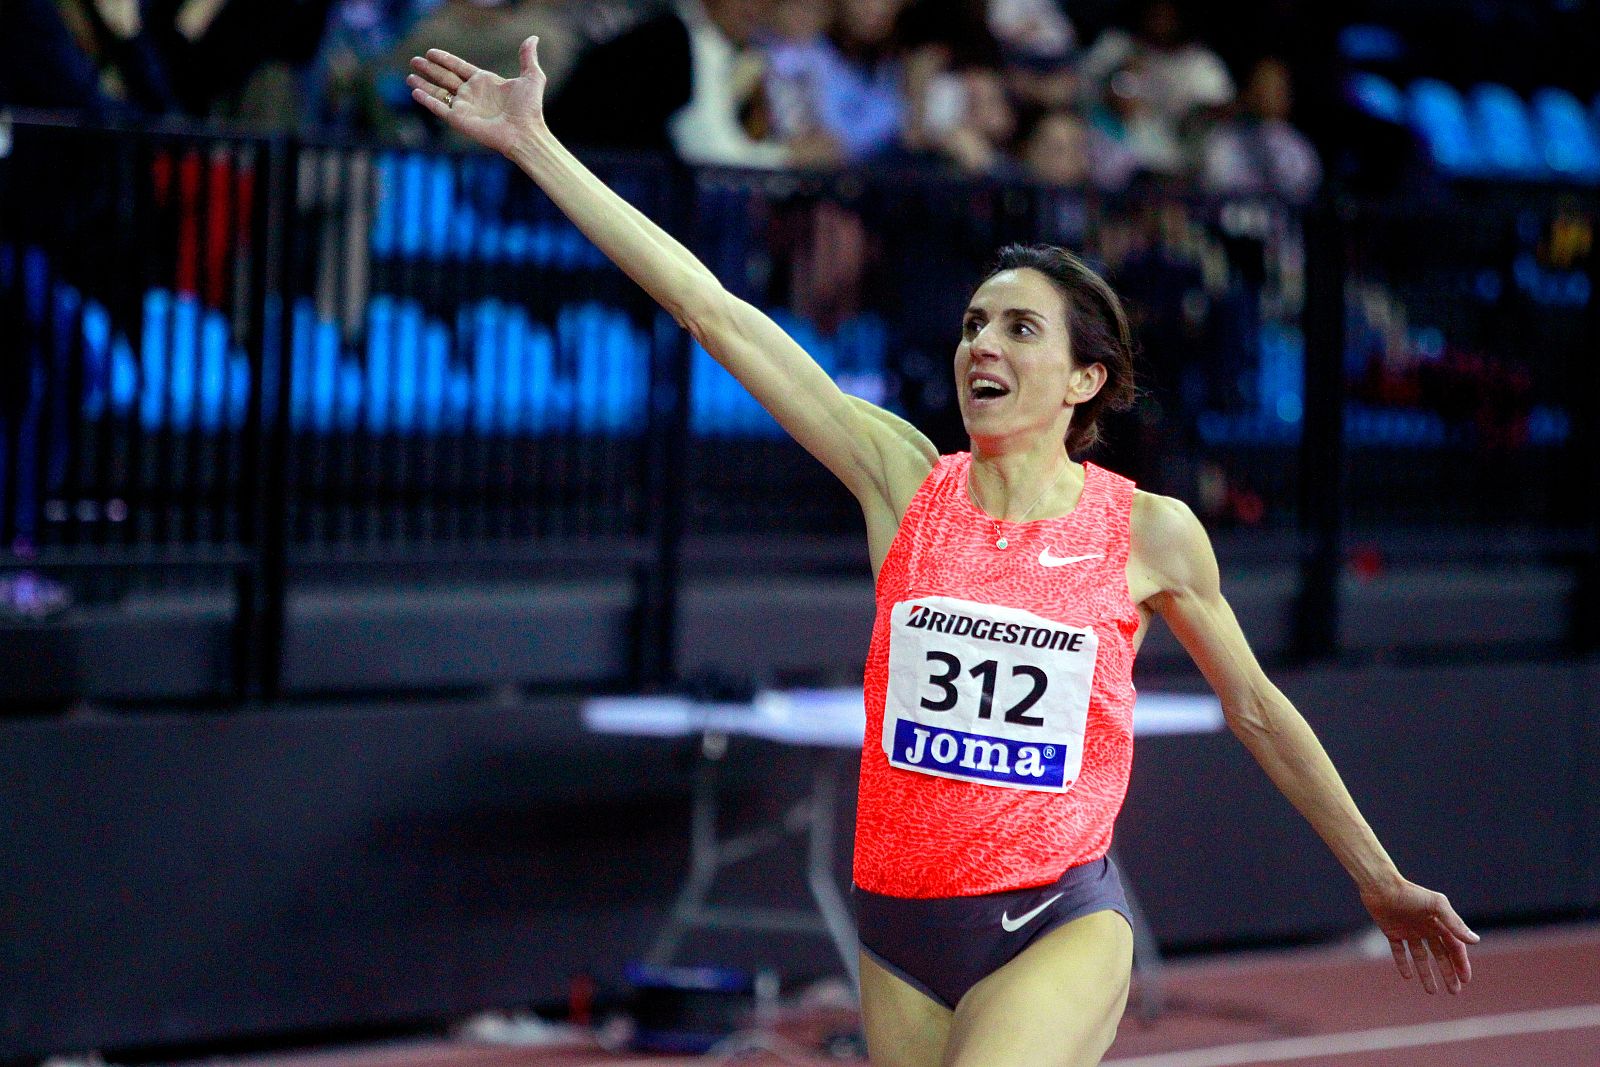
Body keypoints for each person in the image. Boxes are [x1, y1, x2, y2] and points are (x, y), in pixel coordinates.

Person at [406, 37, 1479, 1066]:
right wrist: (538, 148)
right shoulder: (901, 481)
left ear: (1082, 380)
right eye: (973, 324)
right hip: (899, 926)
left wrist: (1377, 874)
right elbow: (711, 310)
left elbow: (1253, 706)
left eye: (1019, 330)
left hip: (1057, 912)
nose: (981, 345)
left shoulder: (1144, 527)